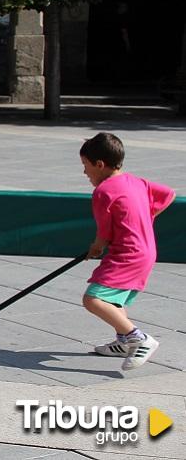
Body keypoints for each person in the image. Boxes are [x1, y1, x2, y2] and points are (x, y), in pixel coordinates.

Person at [81, 132, 175, 370]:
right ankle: (124, 342)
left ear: (100, 164)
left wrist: (96, 247)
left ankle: (138, 338)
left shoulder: (103, 192)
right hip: (145, 251)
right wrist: (145, 215)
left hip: (127, 254)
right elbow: (169, 194)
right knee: (114, 299)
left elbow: (103, 233)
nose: (85, 173)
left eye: (86, 166)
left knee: (93, 299)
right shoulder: (137, 181)